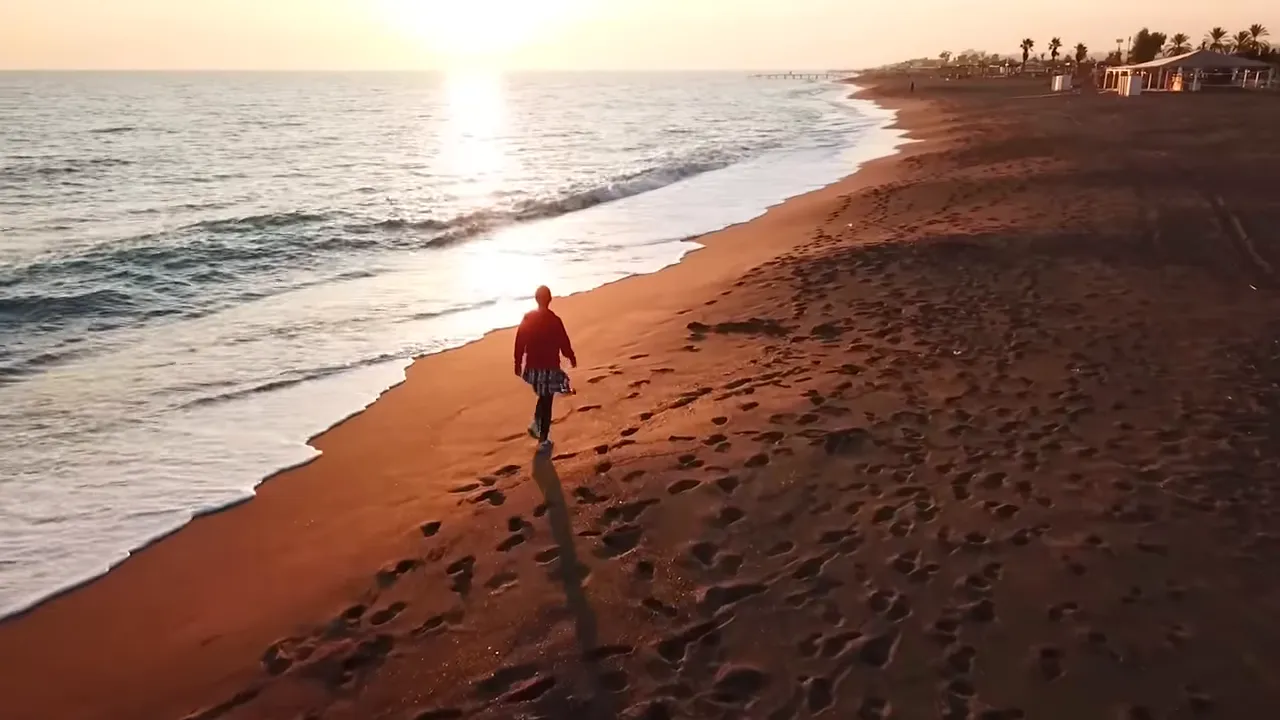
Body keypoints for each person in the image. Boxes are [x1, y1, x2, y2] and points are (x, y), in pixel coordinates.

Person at [514, 286, 577, 453]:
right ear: (550, 299)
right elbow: (564, 341)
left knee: (544, 396)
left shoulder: (528, 318)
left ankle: (536, 424)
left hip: (533, 367)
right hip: (549, 366)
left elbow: (519, 341)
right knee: (546, 400)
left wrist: (517, 361)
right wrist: (570, 356)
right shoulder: (554, 320)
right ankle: (543, 438)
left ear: (536, 299)